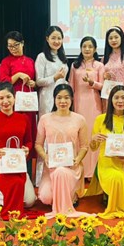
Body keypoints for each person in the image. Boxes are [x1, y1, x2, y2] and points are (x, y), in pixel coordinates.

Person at [0, 82, 37, 212]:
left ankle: (0, 194)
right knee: (11, 195)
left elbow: (29, 141)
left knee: (29, 201)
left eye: (8, 97)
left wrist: (27, 148)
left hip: (17, 164)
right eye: (1, 98)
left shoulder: (23, 119)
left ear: (14, 98)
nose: (5, 101)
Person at [86, 85, 124, 219]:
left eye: (123, 98)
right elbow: (93, 148)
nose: (120, 101)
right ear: (111, 100)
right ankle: (113, 206)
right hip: (106, 165)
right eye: (116, 98)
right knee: (117, 178)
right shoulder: (101, 119)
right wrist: (93, 139)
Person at [35, 84, 90, 218]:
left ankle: (72, 194)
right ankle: (64, 198)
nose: (63, 101)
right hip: (52, 167)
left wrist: (78, 159)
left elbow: (84, 146)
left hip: (71, 167)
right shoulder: (45, 119)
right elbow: (38, 144)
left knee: (62, 172)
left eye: (66, 98)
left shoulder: (79, 119)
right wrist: (45, 157)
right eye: (59, 98)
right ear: (54, 99)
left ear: (71, 99)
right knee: (46, 198)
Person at [0, 31, 38, 177]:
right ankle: (13, 170)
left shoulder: (30, 61)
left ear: (22, 43)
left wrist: (33, 83)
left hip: (28, 103)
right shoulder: (6, 62)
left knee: (28, 134)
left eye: (16, 45)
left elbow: (34, 80)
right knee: (15, 132)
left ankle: (28, 174)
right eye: (10, 46)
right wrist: (17, 75)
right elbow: (3, 82)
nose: (13, 49)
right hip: (13, 103)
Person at [68, 36, 104, 178]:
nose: (87, 49)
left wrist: (92, 83)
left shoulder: (99, 65)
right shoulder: (75, 65)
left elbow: (103, 86)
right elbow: (71, 85)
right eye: (84, 46)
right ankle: (81, 169)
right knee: (80, 135)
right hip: (78, 103)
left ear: (95, 49)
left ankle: (93, 172)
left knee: (92, 134)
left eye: (90, 47)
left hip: (94, 104)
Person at [35, 26, 69, 119]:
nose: (56, 41)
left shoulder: (62, 57)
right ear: (47, 39)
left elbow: (63, 79)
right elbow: (38, 81)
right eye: (53, 38)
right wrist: (55, 78)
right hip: (47, 97)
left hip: (62, 97)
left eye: (59, 38)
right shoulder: (42, 57)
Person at [102, 26, 124, 97]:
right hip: (107, 96)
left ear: (121, 38)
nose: (113, 40)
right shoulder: (104, 58)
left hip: (122, 97)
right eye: (110, 38)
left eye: (116, 37)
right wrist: (104, 77)